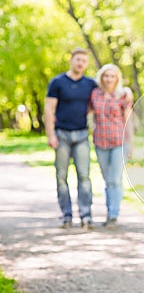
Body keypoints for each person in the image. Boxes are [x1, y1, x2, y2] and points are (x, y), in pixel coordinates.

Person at [45, 47, 97, 229]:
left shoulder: (90, 84)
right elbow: (49, 109)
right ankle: (66, 215)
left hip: (82, 134)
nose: (80, 63)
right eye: (78, 59)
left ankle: (86, 216)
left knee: (84, 176)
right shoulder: (57, 82)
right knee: (61, 176)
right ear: (71, 60)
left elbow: (101, 99)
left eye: (84, 60)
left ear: (86, 64)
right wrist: (50, 134)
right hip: (62, 135)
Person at [89, 64, 133, 229]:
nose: (109, 79)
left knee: (115, 179)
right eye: (106, 75)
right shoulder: (94, 95)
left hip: (118, 142)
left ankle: (113, 215)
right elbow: (87, 112)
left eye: (112, 76)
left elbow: (128, 120)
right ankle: (109, 213)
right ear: (101, 77)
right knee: (107, 180)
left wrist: (131, 144)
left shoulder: (123, 95)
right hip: (100, 142)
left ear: (117, 78)